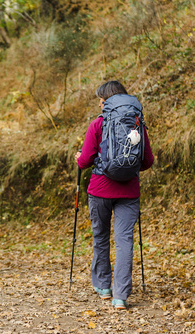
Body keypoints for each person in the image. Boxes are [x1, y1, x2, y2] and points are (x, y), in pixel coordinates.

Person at [75, 81, 154, 310]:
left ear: (105, 101)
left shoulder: (97, 124)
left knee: (100, 237)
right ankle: (120, 296)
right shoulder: (137, 125)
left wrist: (78, 157)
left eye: (100, 99)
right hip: (129, 192)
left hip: (99, 189)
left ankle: (104, 287)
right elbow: (147, 160)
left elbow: (85, 160)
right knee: (124, 241)